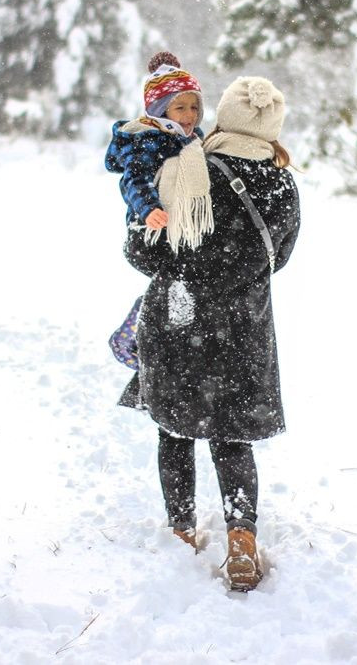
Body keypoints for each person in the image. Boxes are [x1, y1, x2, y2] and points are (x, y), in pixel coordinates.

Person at [118, 75, 301, 593]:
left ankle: (181, 529)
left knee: (175, 431)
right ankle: (241, 536)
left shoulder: (186, 170)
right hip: (245, 328)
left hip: (180, 321)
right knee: (231, 437)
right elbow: (277, 258)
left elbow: (141, 252)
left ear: (223, 115)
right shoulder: (283, 183)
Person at [104, 52, 208, 370]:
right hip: (148, 229)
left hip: (176, 228)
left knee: (187, 279)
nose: (189, 115)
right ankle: (133, 334)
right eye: (180, 107)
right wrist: (148, 209)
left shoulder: (191, 140)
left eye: (194, 107)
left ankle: (174, 340)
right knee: (175, 278)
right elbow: (132, 181)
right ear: (161, 110)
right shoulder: (148, 141)